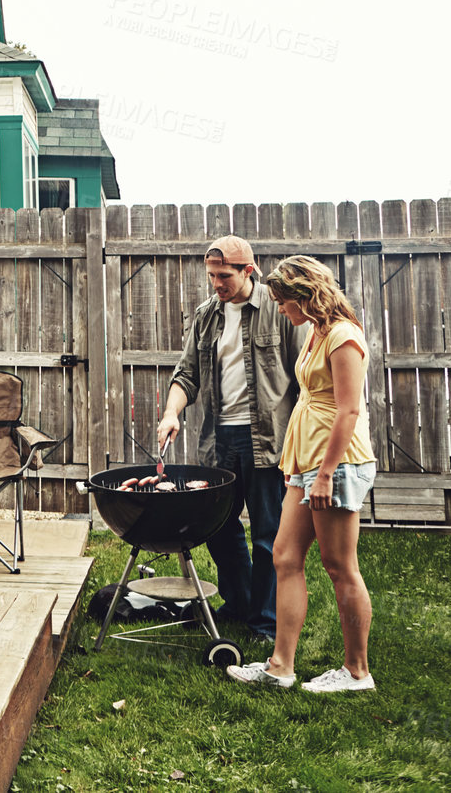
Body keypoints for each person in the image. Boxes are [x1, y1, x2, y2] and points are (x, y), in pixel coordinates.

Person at [227, 256, 377, 692]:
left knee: (339, 566)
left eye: (283, 302)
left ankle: (356, 672)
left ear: (305, 295)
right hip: (304, 460)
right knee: (285, 557)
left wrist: (328, 474)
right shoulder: (316, 333)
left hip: (336, 461)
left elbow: (348, 409)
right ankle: (280, 667)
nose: (280, 310)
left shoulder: (344, 337)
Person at [156, 235, 305, 643]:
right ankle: (238, 602)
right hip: (219, 440)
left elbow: (304, 376)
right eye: (211, 276)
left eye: (224, 276)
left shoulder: (279, 311)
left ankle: (264, 622)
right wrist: (172, 412)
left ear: (248, 271)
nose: (216, 284)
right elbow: (186, 374)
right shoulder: (207, 316)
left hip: (268, 438)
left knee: (267, 534)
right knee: (218, 528)